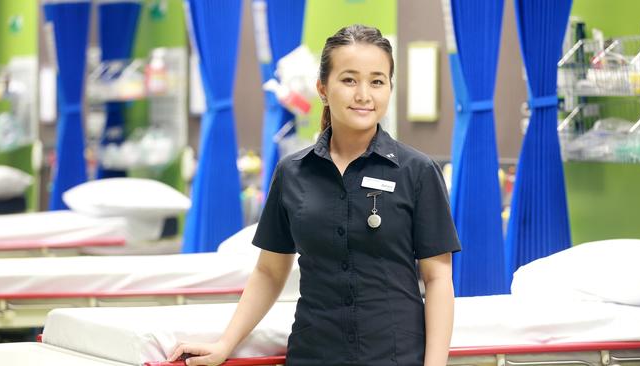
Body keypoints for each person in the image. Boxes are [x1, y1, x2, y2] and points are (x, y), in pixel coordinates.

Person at [168, 24, 461, 366]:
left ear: (390, 88)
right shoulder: (292, 172)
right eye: (349, 80)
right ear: (322, 88)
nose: (364, 94)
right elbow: (269, 272)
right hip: (314, 354)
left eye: (377, 81)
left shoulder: (417, 172)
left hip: (394, 356)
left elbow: (438, 278)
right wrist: (224, 343)